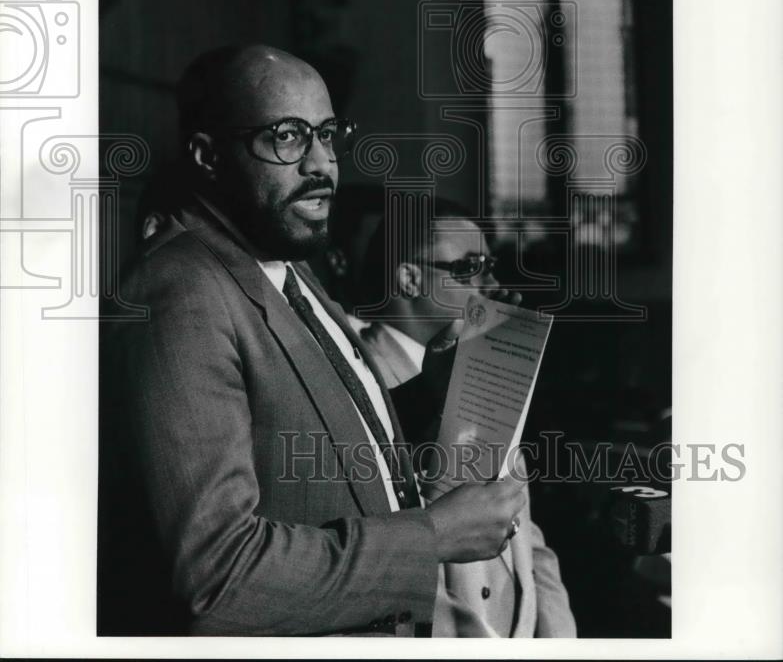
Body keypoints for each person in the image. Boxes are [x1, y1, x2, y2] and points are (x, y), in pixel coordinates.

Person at [98, 44, 531, 637]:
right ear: (207, 156)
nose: (322, 164)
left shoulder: (283, 264)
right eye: (287, 137)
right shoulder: (184, 292)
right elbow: (218, 578)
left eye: (327, 135)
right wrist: (433, 536)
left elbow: (313, 449)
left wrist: (440, 397)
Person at [357, 200, 577, 637]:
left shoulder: (485, 365)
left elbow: (526, 535)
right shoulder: (360, 381)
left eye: (490, 264)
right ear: (410, 277)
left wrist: (558, 637)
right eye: (470, 266)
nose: (491, 282)